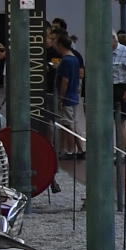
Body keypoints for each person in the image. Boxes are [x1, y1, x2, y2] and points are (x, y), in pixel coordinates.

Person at [52, 32, 83, 160]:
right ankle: (79, 149)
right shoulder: (75, 59)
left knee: (68, 125)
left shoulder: (65, 61)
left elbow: (65, 81)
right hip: (73, 95)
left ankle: (70, 151)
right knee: (72, 123)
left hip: (67, 97)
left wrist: (61, 98)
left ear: (61, 45)